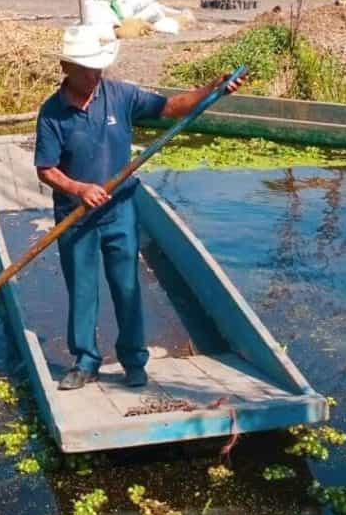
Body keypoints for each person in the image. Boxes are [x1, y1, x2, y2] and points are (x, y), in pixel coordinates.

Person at [34, 27, 245, 390]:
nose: (95, 74)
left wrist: (211, 89)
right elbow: (46, 168)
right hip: (76, 218)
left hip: (120, 211)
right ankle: (85, 362)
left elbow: (169, 107)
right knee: (83, 290)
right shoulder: (52, 113)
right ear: (65, 66)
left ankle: (133, 360)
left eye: (98, 67)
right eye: (86, 69)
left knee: (127, 286)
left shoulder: (119, 95)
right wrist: (78, 188)